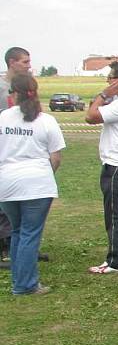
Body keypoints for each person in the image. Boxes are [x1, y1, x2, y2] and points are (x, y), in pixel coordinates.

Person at [0, 74, 65, 295]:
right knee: (29, 233)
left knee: (18, 231)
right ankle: (26, 285)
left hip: (7, 183)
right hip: (37, 183)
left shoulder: (3, 118)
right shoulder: (46, 121)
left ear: (14, 94)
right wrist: (47, 174)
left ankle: (20, 280)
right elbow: (55, 157)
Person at [85, 61, 118, 274]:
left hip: (117, 166)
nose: (107, 83)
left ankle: (116, 261)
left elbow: (90, 116)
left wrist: (103, 94)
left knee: (116, 214)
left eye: (109, 79)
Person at [0, 47, 33, 270]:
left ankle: (21, 247)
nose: (28, 65)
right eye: (24, 62)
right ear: (12, 62)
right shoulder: (2, 89)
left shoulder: (27, 87)